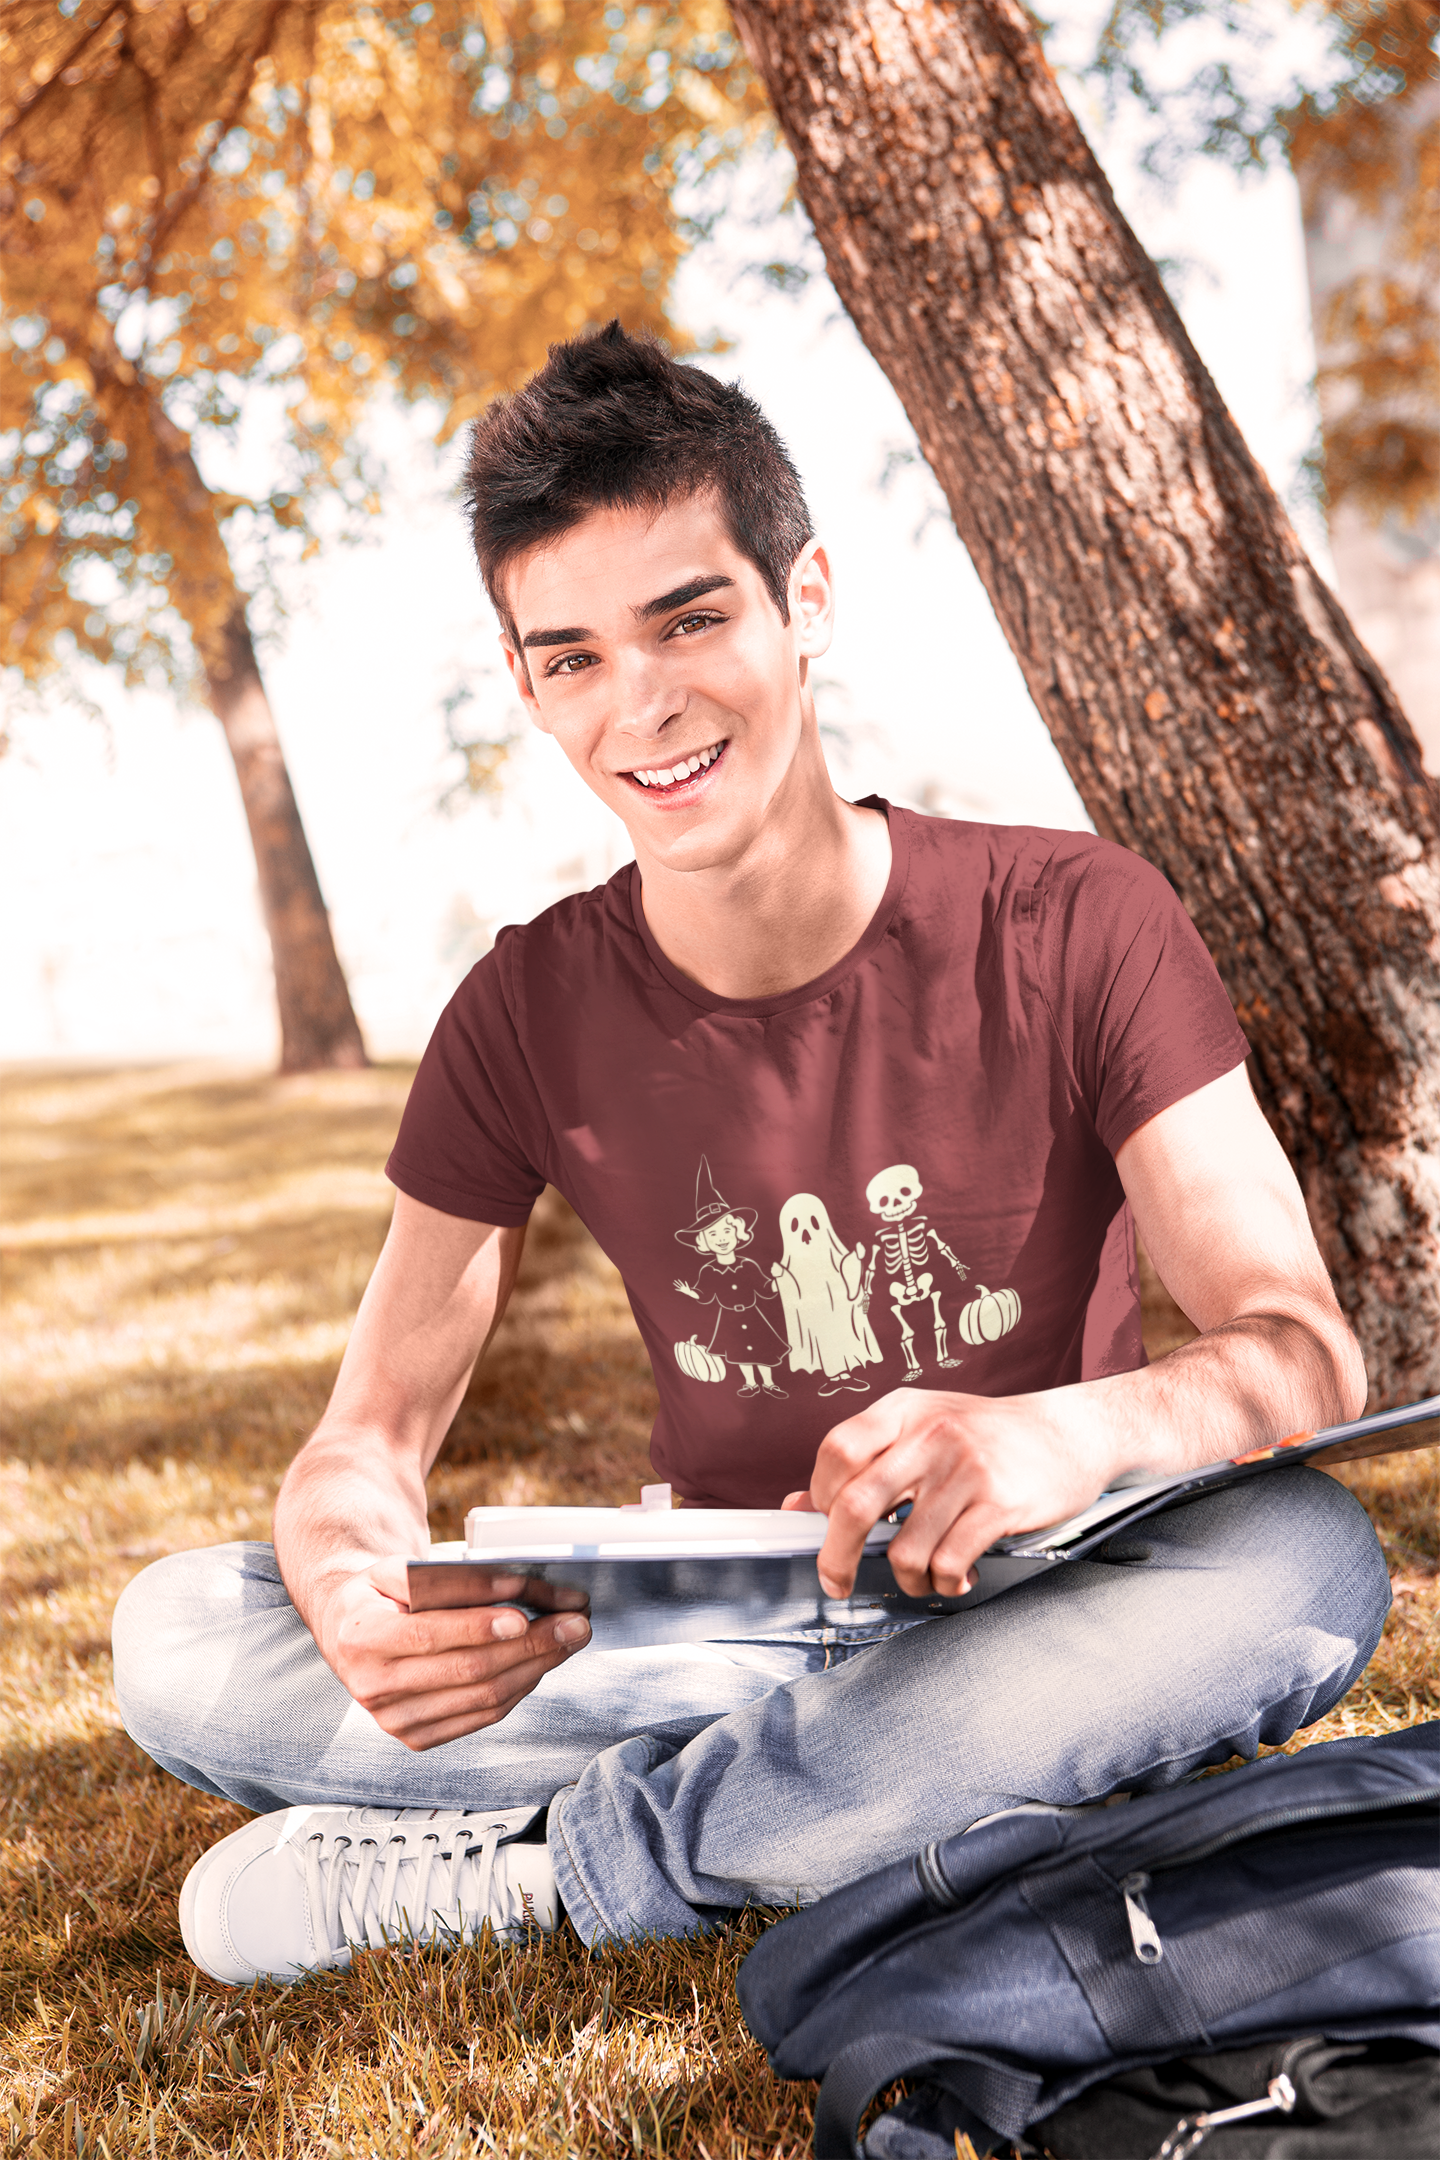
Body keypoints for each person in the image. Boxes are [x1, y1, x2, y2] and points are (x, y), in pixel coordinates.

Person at [112, 323, 1389, 1985]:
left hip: (1020, 1596)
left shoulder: (1080, 919)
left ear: (806, 603)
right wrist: (359, 1598)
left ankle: (559, 1867)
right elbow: (367, 1437)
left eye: (690, 620)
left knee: (1296, 1565)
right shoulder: (523, 1005)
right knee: (177, 1635)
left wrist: (1066, 1436)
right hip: (697, 1649)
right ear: (525, 683)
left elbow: (1300, 1355)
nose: (640, 705)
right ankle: (919, 1788)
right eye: (569, 656)